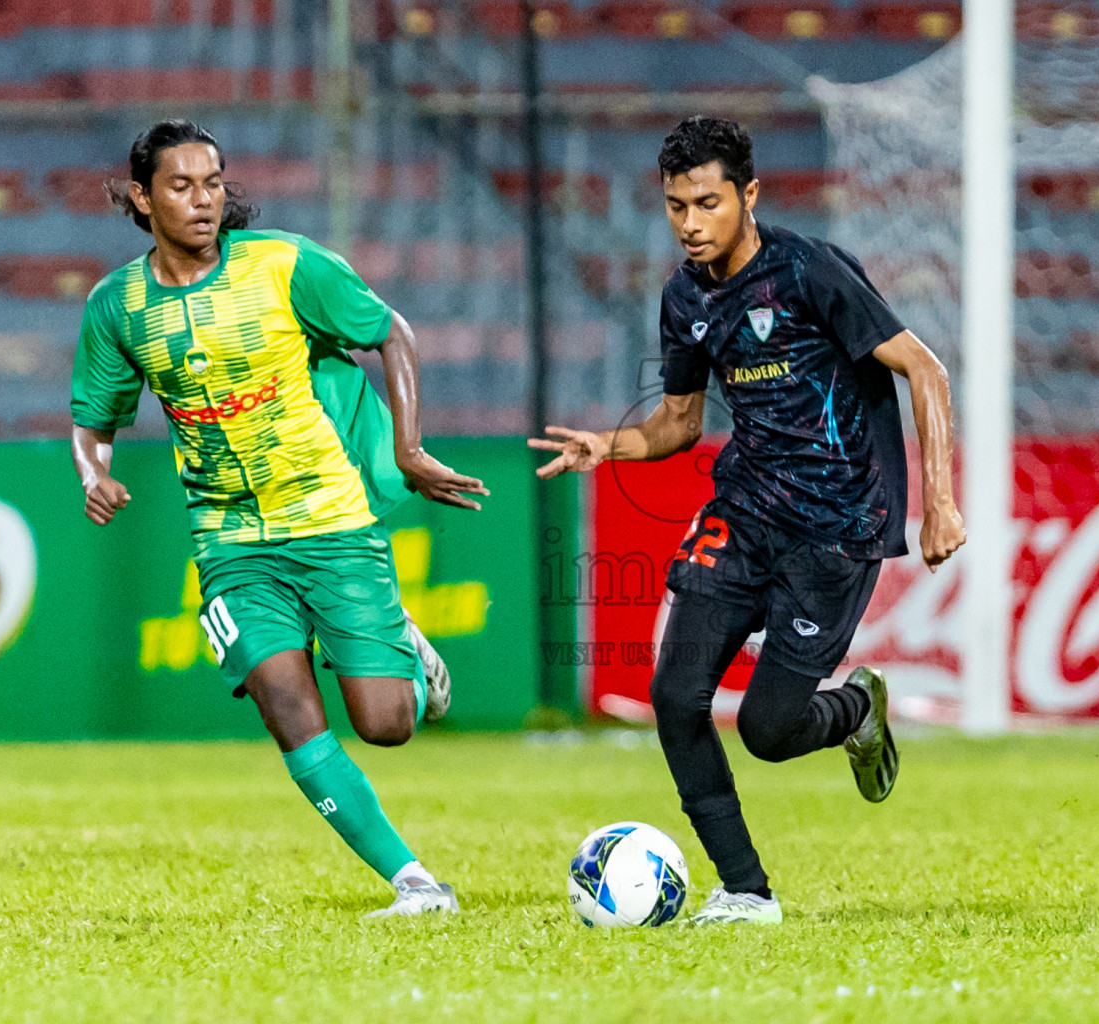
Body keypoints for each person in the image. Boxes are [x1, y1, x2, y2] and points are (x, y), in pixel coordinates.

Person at [529, 116, 965, 925]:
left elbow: (925, 370)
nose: (690, 224)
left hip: (836, 526)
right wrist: (608, 445)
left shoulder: (809, 273)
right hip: (745, 511)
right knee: (674, 693)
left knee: (768, 729)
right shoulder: (684, 297)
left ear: (749, 195)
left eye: (707, 203)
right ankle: (746, 891)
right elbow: (680, 425)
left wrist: (939, 501)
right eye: (675, 207)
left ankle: (857, 710)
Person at [70, 119, 488, 918]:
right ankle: (413, 883)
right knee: (285, 701)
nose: (203, 201)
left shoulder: (284, 265)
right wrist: (95, 473)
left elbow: (388, 331)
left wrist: (406, 447)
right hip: (228, 542)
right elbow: (94, 416)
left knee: (387, 725)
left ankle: (401, 643)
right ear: (140, 196)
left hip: (328, 518)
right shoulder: (117, 306)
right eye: (182, 186)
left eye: (214, 183)